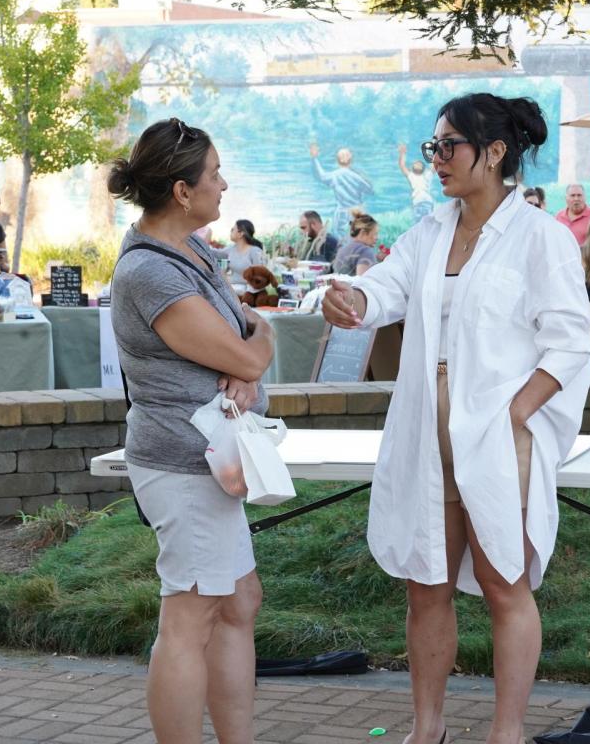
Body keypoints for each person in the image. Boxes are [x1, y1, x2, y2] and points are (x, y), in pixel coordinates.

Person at [322, 92, 590, 744]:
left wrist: (517, 415)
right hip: (427, 423)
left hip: (500, 429)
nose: (437, 159)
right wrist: (351, 298)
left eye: (450, 146)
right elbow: (386, 288)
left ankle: (508, 732)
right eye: (432, 147)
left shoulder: (541, 238)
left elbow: (570, 344)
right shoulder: (430, 231)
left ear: (494, 152)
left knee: (505, 584)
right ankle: (427, 730)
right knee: (426, 583)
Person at [107, 117, 274, 744]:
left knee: (237, 602)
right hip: (185, 464)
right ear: (182, 191)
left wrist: (250, 356)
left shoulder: (191, 252)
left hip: (209, 462)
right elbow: (253, 349)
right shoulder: (152, 272)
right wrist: (250, 359)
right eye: (214, 174)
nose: (224, 184)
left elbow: (252, 337)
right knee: (191, 615)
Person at [310, 142, 374, 238]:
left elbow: (321, 176)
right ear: (351, 160)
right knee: (359, 237)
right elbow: (370, 190)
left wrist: (314, 158)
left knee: (339, 238)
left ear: (337, 160)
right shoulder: (356, 177)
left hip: (342, 212)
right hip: (358, 211)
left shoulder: (334, 175)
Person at [399, 143, 436, 221]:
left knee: (420, 224)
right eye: (416, 164)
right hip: (426, 202)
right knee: (427, 223)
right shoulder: (414, 176)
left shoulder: (422, 175)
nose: (417, 164)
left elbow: (402, 166)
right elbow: (434, 165)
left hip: (419, 203)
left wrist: (402, 153)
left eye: (418, 164)